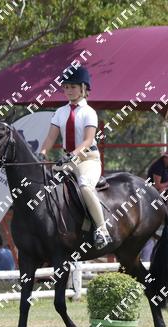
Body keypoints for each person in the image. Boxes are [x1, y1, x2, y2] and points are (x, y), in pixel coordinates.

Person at [39, 66, 112, 250]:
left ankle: (102, 230)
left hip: (88, 160)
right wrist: (42, 153)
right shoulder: (60, 112)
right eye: (66, 87)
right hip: (68, 161)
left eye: (72, 87)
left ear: (83, 88)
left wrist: (72, 154)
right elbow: (50, 138)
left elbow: (87, 140)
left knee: (85, 186)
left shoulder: (89, 112)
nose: (68, 90)